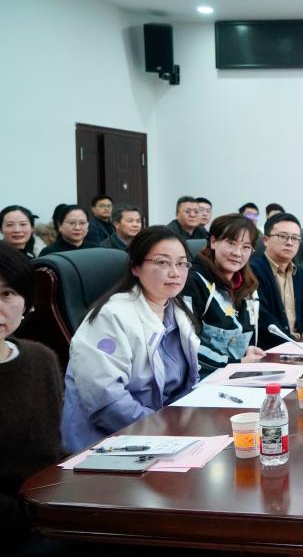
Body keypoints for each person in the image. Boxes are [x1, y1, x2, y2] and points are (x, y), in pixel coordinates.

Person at [61, 226, 201, 452]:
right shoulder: (111, 316)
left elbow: (187, 382)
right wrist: (164, 429)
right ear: (135, 267)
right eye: (163, 262)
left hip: (166, 432)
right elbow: (106, 401)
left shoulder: (178, 311)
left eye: (182, 263)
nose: (175, 272)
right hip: (111, 441)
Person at [0, 243, 62, 537]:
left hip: (49, 505)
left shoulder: (40, 358)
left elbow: (51, 452)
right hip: (20, 524)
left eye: (7, 294)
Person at [182, 214, 264, 375]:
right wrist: (235, 363)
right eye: (231, 243)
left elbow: (242, 332)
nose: (238, 253)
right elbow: (187, 343)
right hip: (202, 376)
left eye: (246, 247)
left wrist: (246, 350)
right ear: (213, 242)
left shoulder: (248, 285)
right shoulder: (193, 282)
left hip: (238, 373)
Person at [250, 213, 303, 350]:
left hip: (301, 345)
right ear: (266, 240)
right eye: (283, 236)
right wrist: (295, 345)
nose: (289, 242)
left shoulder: (301, 274)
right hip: (270, 349)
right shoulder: (252, 271)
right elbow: (263, 319)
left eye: (295, 238)